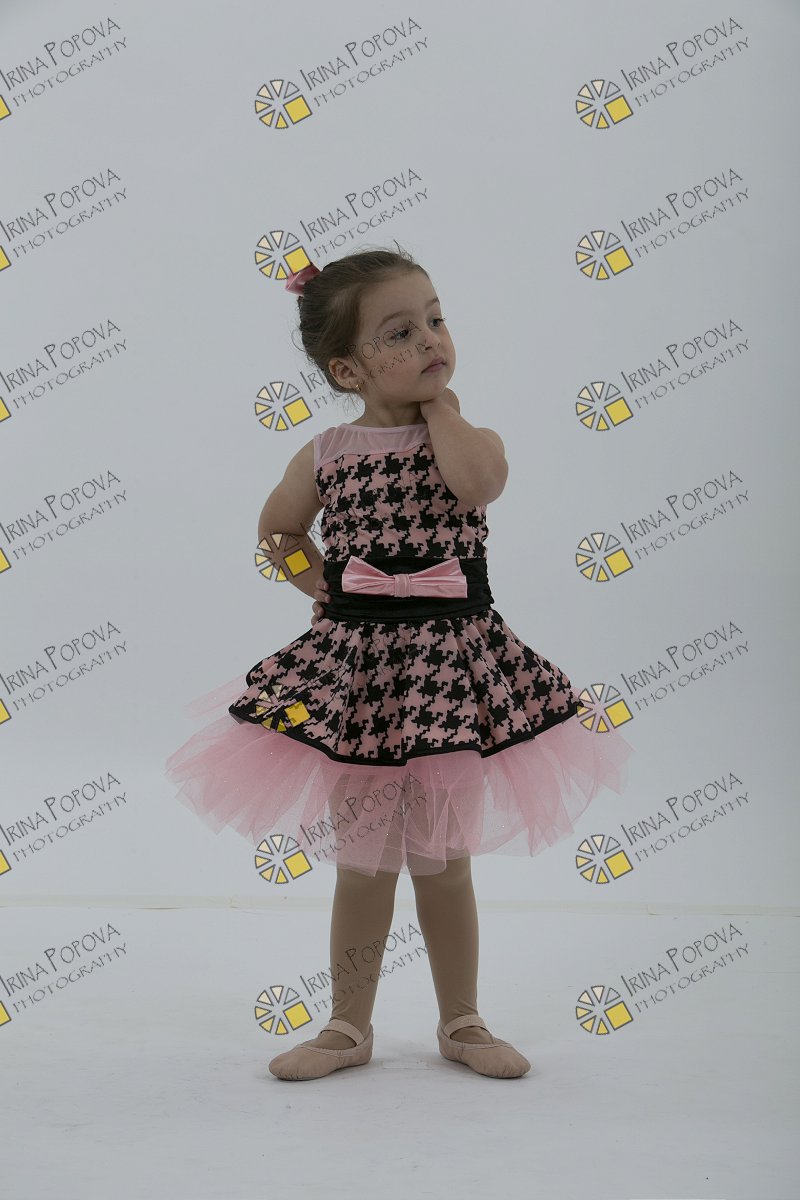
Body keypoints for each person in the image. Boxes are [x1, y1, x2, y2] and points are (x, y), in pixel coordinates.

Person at [164, 243, 633, 1082]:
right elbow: (277, 530)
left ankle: (462, 1019)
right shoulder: (328, 452)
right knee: (363, 861)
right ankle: (348, 1024)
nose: (430, 340)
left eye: (436, 320)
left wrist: (441, 405)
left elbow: (478, 484)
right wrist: (322, 587)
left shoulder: (467, 438)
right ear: (348, 369)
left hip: (451, 670)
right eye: (401, 332)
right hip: (360, 677)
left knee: (443, 862)